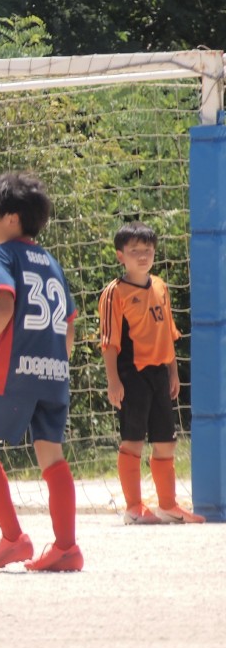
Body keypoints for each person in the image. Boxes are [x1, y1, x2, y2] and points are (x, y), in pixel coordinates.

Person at [0, 173, 82, 572]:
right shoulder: (51, 261)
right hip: (54, 371)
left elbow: (4, 307)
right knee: (52, 456)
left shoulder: (0, 254)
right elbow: (69, 322)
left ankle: (14, 539)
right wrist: (57, 365)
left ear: (11, 219)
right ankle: (66, 547)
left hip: (15, 371)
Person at [98, 221, 204, 525]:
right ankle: (133, 508)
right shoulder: (114, 293)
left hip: (160, 373)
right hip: (132, 374)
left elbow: (168, 332)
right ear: (121, 255)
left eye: (147, 250)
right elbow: (109, 342)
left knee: (166, 440)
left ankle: (168, 505)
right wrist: (113, 381)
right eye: (134, 251)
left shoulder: (160, 286)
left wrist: (173, 372)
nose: (142, 256)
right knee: (133, 439)